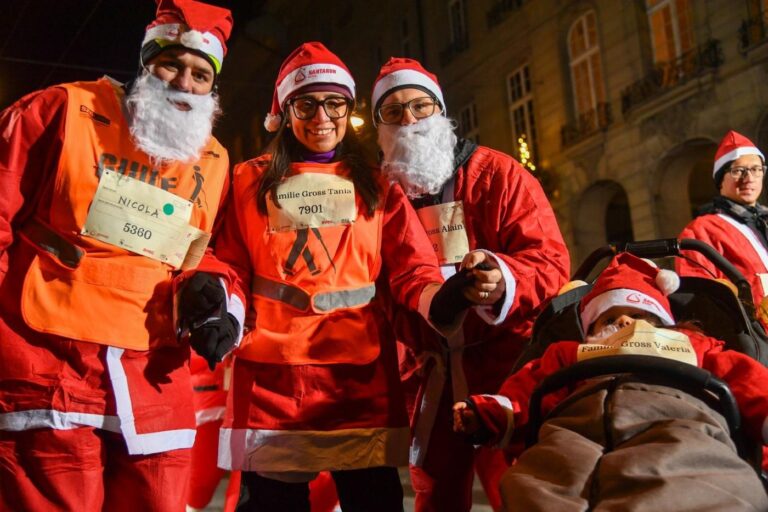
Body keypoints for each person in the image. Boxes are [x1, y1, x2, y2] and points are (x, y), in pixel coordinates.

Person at [192, 42, 485, 512]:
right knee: (272, 505)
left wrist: (441, 298)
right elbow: (228, 259)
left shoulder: (377, 182)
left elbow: (412, 266)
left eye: (335, 103)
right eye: (306, 104)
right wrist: (218, 307)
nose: (322, 116)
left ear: (349, 109)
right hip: (274, 374)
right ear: (285, 111)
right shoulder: (249, 180)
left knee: (373, 501)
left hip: (358, 376)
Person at [0, 1, 238, 510]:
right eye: (172, 64)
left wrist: (212, 291)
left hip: (152, 378)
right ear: (146, 62)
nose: (184, 83)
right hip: (48, 368)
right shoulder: (61, 109)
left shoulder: (215, 158)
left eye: (201, 73)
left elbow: (204, 251)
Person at [371, 57, 570, 511]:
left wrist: (502, 278)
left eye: (421, 107)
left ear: (440, 112)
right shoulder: (380, 195)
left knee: (518, 489)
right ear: (379, 125)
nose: (409, 120)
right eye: (393, 111)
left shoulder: (499, 173)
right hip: (428, 376)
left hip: (504, 367)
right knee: (435, 492)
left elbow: (551, 260)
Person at [454, 253, 768, 511]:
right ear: (590, 330)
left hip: (676, 421)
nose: (623, 321)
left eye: (636, 314)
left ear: (660, 322)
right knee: (537, 485)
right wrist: (490, 412)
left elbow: (744, 378)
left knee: (695, 484)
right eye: (609, 318)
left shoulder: (691, 343)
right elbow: (527, 389)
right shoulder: (569, 353)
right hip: (575, 428)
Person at [677, 130, 768, 326]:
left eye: (756, 169)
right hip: (752, 337)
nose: (749, 178)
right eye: (738, 171)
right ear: (720, 180)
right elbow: (700, 294)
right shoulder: (701, 230)